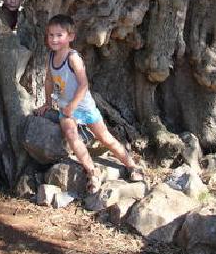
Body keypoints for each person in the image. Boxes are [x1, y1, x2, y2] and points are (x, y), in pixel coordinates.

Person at [34, 14, 144, 193]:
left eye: (59, 35)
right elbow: (48, 80)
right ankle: (92, 171)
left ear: (70, 36)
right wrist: (47, 102)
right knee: (71, 134)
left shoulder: (72, 57)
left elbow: (84, 84)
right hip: (65, 108)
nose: (54, 39)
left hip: (83, 107)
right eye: (50, 35)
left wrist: (72, 106)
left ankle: (132, 166)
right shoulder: (51, 57)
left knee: (105, 138)